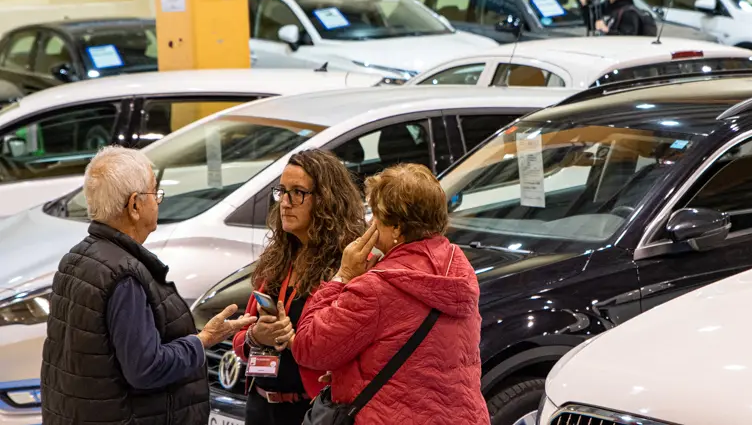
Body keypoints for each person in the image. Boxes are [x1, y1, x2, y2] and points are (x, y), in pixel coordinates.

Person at [40, 146, 255, 425]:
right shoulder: (123, 276)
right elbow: (146, 368)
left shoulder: (76, 258)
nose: (158, 202)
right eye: (155, 194)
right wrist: (202, 342)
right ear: (134, 205)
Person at [291, 163, 490, 425]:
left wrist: (344, 276)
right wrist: (350, 373)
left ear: (396, 227)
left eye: (375, 216)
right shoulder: (458, 270)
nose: (370, 224)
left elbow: (308, 348)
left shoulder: (375, 288)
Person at [232, 149, 367, 425]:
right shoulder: (278, 259)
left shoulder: (347, 265)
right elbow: (240, 340)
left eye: (297, 192)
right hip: (260, 406)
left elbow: (345, 347)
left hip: (311, 410)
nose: (285, 202)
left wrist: (295, 342)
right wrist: (257, 337)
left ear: (326, 200)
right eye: (282, 191)